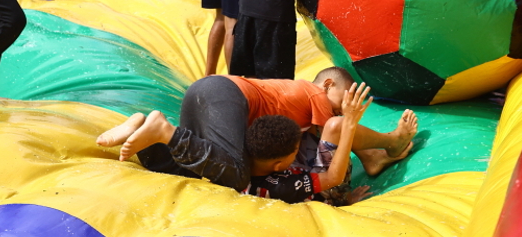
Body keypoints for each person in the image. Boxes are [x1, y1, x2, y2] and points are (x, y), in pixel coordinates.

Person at [97, 67, 417, 192]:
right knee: (236, 174)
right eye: (339, 100)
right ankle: (389, 143)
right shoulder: (315, 94)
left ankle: (145, 135)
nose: (338, 108)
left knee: (190, 168)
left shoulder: (300, 107)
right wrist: (358, 124)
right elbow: (333, 132)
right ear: (328, 84)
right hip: (225, 95)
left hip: (208, 93)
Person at [241, 85, 384, 205]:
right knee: (336, 126)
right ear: (278, 165)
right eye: (295, 151)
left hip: (293, 175)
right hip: (327, 191)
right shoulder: (282, 187)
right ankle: (389, 143)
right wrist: (350, 124)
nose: (297, 151)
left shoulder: (246, 161)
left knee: (310, 119)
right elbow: (333, 178)